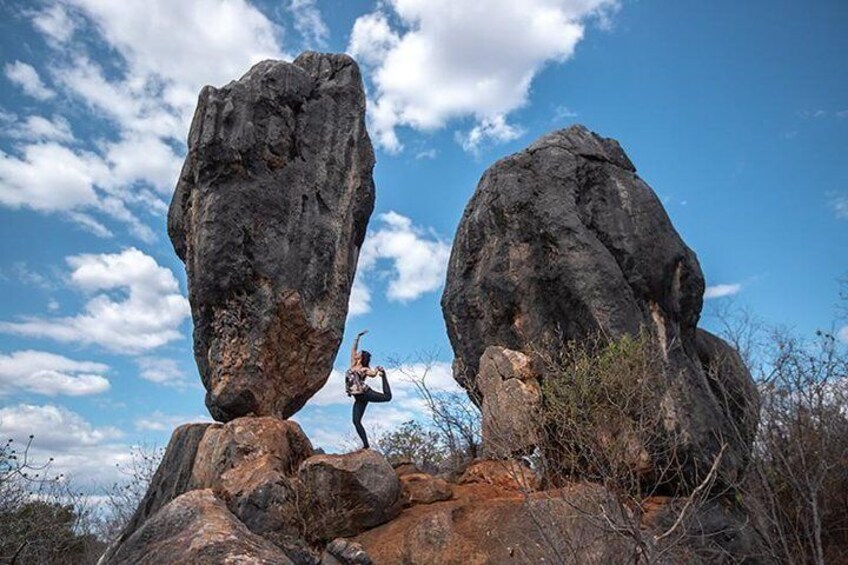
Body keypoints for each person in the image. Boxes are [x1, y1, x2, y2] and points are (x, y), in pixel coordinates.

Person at [345, 329, 392, 449]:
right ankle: (366, 445)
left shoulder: (364, 369)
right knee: (356, 421)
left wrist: (378, 371)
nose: (356, 353)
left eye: (359, 353)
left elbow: (372, 374)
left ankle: (385, 377)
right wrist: (357, 337)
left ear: (362, 357)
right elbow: (353, 349)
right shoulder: (352, 365)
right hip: (359, 398)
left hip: (365, 393)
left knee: (387, 397)